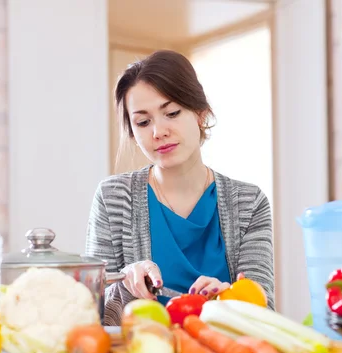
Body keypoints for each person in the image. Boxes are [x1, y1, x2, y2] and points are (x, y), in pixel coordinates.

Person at [85, 50, 274, 326]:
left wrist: (231, 301)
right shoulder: (112, 198)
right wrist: (127, 284)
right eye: (143, 122)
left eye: (171, 113)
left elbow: (265, 314)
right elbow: (91, 316)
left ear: (200, 114)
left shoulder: (249, 202)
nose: (158, 132)